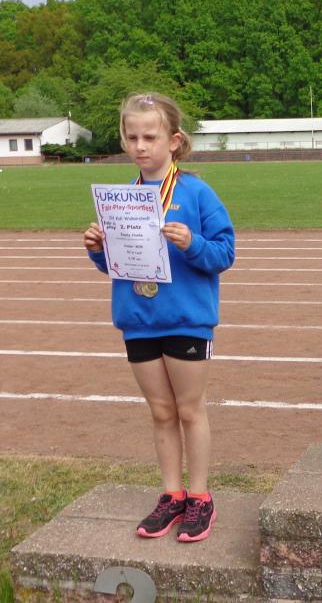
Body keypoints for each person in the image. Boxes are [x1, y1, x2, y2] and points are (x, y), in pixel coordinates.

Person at [84, 92, 235, 542]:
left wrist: (192, 242)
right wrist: (98, 249)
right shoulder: (120, 198)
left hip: (187, 318)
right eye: (131, 137)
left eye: (149, 137)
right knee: (161, 411)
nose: (139, 146)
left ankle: (201, 497)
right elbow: (119, 264)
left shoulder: (196, 192)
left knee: (189, 410)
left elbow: (225, 253)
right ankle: (172, 494)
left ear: (173, 140)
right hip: (138, 318)